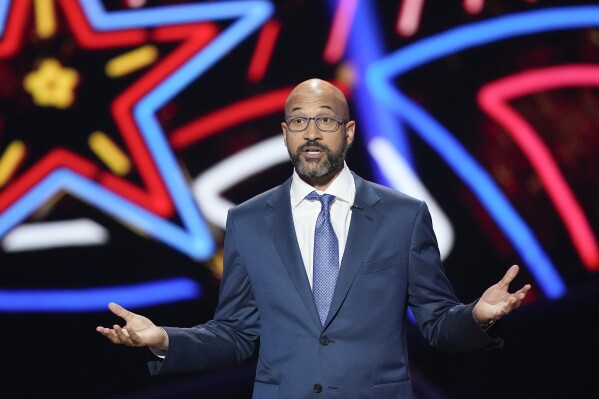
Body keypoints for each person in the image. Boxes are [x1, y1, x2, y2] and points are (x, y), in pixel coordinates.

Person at [97, 78, 531, 398]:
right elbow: (234, 334)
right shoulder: (248, 221)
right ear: (285, 134)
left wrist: (477, 315)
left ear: (349, 131)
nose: (311, 132)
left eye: (325, 119)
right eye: (299, 120)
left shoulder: (402, 216)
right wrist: (165, 341)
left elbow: (436, 324)